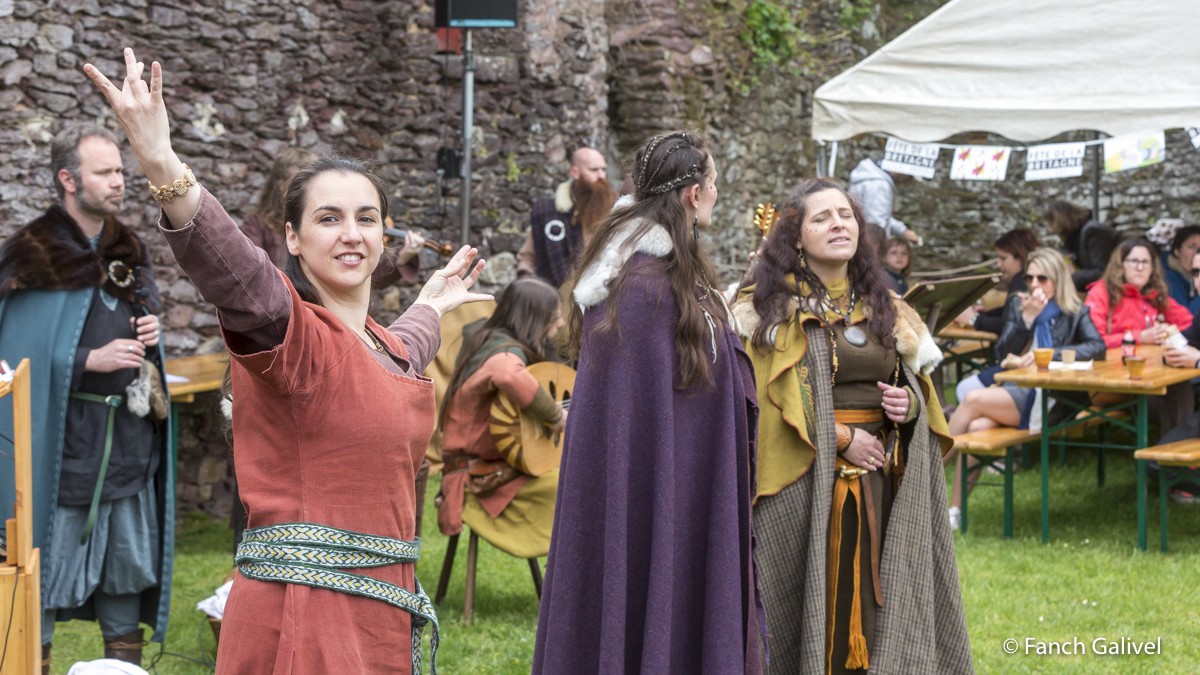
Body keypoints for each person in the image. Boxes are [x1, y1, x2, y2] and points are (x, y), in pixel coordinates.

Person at [85, 48, 492, 673]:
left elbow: (405, 353)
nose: (351, 234)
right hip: (304, 622)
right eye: (328, 219)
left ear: (385, 236)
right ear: (294, 239)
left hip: (381, 618)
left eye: (366, 218)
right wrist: (161, 162)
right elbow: (238, 273)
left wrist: (432, 304)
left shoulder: (383, 345)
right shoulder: (292, 335)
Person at [532, 131, 763, 673]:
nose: (716, 193)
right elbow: (631, 422)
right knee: (642, 594)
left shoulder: (670, 277)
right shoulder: (639, 289)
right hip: (656, 490)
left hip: (687, 482)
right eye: (713, 183)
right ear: (692, 194)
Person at [732, 179, 971, 673]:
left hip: (881, 478)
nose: (839, 224)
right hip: (804, 483)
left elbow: (914, 386)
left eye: (846, 215)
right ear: (795, 237)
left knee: (878, 601)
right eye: (822, 218)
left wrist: (907, 407)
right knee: (813, 599)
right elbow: (763, 404)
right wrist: (841, 439)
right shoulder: (769, 310)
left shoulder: (888, 306)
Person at [0, 125, 175, 672]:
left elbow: (135, 321)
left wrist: (151, 335)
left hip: (124, 444)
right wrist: (85, 360)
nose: (120, 181)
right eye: (105, 172)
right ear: (68, 179)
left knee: (125, 573)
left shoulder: (128, 248)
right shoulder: (33, 256)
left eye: (121, 170)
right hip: (59, 450)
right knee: (40, 569)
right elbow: (16, 356)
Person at [945, 248, 1105, 522]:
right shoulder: (1021, 306)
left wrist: (1050, 355)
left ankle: (925, 468)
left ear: (1057, 279)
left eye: (1042, 279)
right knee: (976, 428)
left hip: (1055, 397)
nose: (1034, 285)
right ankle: (954, 512)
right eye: (1030, 278)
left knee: (972, 400)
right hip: (1019, 389)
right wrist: (1026, 320)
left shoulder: (1075, 311)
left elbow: (1097, 347)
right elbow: (1001, 353)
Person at [436, 277, 565, 558]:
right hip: (478, 478)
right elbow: (507, 373)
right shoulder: (500, 352)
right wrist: (556, 416)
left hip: (495, 469)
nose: (561, 325)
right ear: (534, 320)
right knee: (567, 485)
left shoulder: (487, 340)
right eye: (554, 318)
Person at [515, 146, 616, 287]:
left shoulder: (614, 210)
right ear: (575, 172)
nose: (601, 176)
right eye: (594, 170)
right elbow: (527, 258)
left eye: (603, 169)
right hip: (555, 300)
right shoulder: (547, 212)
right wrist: (526, 280)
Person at [1084, 238, 1192, 348]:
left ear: (1152, 268)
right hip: (1111, 363)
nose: (1140, 268)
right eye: (1134, 261)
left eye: (1145, 262)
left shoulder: (1154, 294)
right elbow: (1094, 341)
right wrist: (1139, 337)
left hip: (1150, 362)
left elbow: (1189, 325)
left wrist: (1167, 333)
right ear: (1120, 264)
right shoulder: (1101, 292)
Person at [957, 228, 1039, 335]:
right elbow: (1007, 311)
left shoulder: (1022, 280)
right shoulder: (1022, 279)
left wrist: (974, 319)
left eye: (1003, 258)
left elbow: (1009, 324)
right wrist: (980, 315)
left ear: (1021, 257)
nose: (998, 265)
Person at [847, 157, 919, 251]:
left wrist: (902, 231)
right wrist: (881, 251)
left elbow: (879, 215)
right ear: (901, 169)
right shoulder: (879, 185)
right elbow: (876, 223)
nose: (909, 180)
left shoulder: (872, 178)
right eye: (910, 175)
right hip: (870, 245)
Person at [1044, 199, 1117, 291]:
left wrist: (1071, 276)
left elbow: (1103, 271)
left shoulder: (1093, 231)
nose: (1051, 229)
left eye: (1051, 224)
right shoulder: (1077, 236)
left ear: (1059, 221)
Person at [1160, 225, 1200, 314]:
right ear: (1177, 251)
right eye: (1191, 246)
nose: (1197, 251)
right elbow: (1186, 317)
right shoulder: (1168, 278)